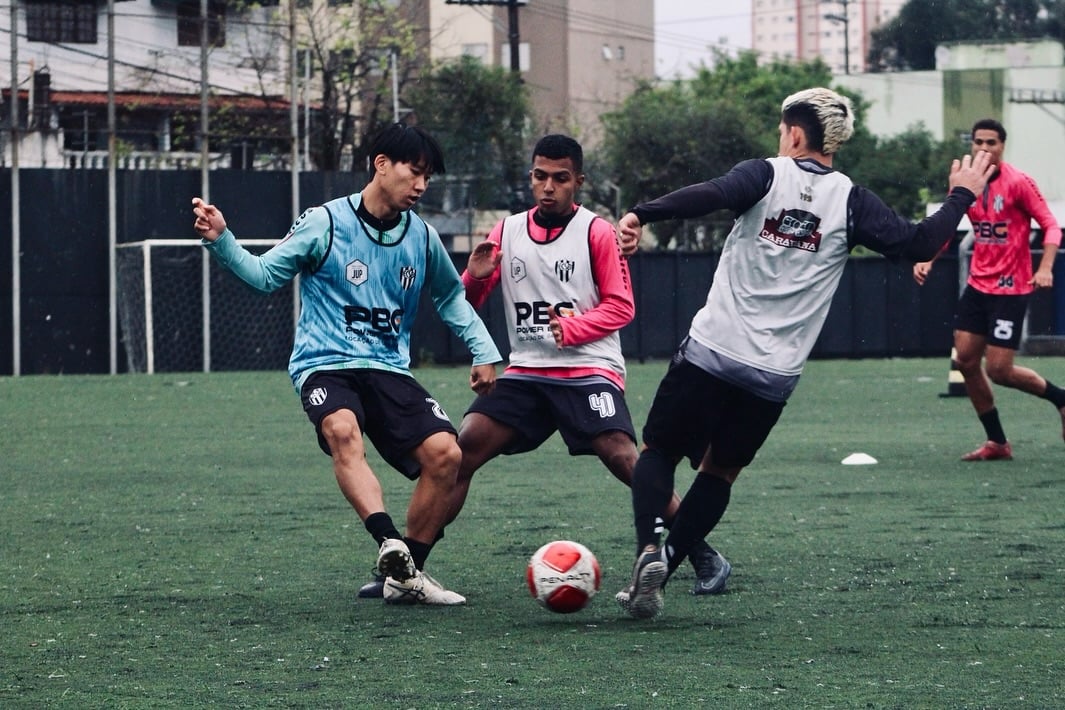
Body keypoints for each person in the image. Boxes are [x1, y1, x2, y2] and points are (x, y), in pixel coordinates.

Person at [612, 87, 996, 619]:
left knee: (657, 452)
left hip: (713, 351)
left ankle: (650, 545)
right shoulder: (852, 201)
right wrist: (960, 195)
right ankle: (668, 563)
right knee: (719, 472)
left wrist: (642, 214)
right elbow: (916, 244)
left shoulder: (766, 174)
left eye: (781, 132)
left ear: (794, 134)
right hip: (772, 376)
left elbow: (712, 193)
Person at [355, 134, 732, 600]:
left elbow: (621, 307)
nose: (548, 187)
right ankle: (408, 570)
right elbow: (464, 303)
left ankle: (702, 553)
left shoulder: (596, 232)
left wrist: (572, 330)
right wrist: (473, 276)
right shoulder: (507, 231)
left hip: (588, 368)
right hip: (528, 374)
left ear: (578, 182)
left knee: (622, 455)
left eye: (560, 178)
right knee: (462, 452)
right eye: (540, 177)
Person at [191, 123, 501, 606]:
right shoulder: (325, 222)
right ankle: (387, 541)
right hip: (325, 363)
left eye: (427, 178)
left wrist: (484, 350)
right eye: (414, 172)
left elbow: (451, 298)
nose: (421, 185)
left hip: (389, 370)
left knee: (447, 455)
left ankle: (406, 575)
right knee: (342, 429)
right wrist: (222, 239)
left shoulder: (420, 236)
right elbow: (265, 276)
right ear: (381, 164)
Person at [913, 118, 1065, 461]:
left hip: (1010, 290)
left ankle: (1061, 399)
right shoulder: (968, 184)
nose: (983, 149)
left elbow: (1051, 226)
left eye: (991, 143)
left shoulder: (1019, 183)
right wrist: (929, 258)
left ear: (1002, 147)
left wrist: (1044, 268)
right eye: (978, 142)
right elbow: (948, 225)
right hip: (978, 286)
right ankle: (997, 442)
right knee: (965, 360)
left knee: (999, 370)